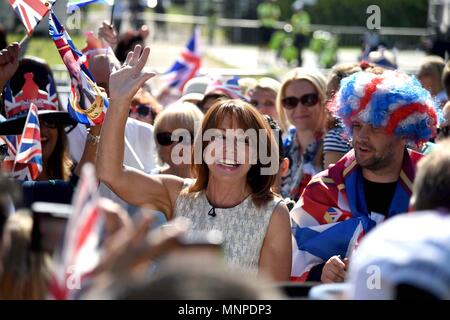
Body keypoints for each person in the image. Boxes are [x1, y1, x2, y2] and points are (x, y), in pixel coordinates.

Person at [97, 45, 291, 281]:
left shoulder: (274, 213)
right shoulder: (176, 193)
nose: (228, 149)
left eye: (242, 141)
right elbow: (110, 173)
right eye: (218, 137)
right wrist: (118, 102)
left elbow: (270, 297)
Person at [290, 70, 439, 283]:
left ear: (404, 130)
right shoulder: (324, 189)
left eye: (375, 127)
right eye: (357, 125)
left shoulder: (434, 187)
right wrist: (321, 272)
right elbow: (293, 258)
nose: (361, 137)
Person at [276, 67, 351, 202]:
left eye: (309, 99)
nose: (300, 108)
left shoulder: (337, 145)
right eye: (290, 102)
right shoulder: (281, 147)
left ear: (326, 99)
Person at [152, 101, 204, 178]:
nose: (176, 146)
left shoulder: (218, 184)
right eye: (166, 138)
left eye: (184, 137)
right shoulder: (145, 183)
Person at [291, 0, 311, 67]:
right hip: (296, 35)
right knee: (295, 49)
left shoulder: (305, 15)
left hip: (302, 35)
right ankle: (296, 60)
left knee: (300, 49)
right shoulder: (295, 16)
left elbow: (303, 25)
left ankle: (300, 62)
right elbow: (293, 24)